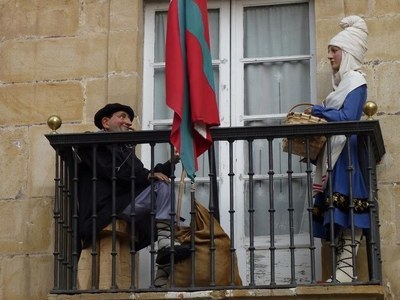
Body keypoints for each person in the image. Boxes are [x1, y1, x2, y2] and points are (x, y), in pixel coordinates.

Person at [77, 103, 190, 270]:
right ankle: (165, 242)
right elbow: (111, 170)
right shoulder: (93, 144)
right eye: (122, 116)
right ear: (106, 122)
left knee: (165, 190)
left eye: (129, 118)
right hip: (106, 208)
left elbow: (143, 175)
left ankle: (164, 268)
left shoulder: (125, 151)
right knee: (161, 189)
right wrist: (147, 175)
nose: (128, 121)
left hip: (123, 204)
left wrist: (170, 163)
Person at [306, 16, 370, 283]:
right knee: (339, 211)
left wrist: (320, 111)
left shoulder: (355, 81)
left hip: (347, 154)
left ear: (347, 52)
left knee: (349, 211)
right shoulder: (342, 85)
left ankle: (344, 272)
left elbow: (349, 116)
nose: (330, 56)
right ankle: (343, 272)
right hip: (337, 154)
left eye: (334, 50)